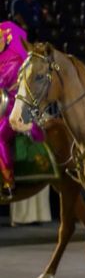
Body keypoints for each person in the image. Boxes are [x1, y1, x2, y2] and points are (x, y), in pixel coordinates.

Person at [0, 21, 43, 198]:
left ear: (4, 38)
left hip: (14, 108)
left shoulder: (14, 58)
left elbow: (3, 82)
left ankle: (9, 182)